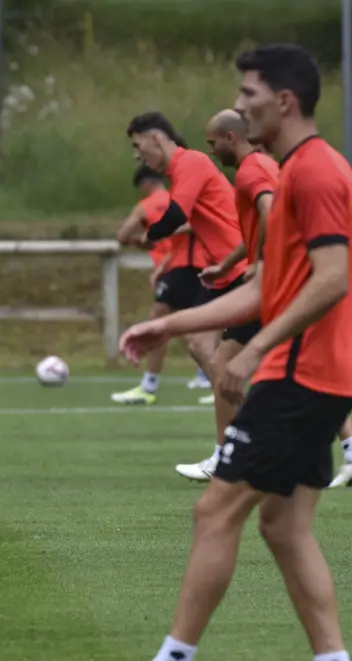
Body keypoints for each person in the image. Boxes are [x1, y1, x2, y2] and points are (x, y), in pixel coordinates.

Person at [120, 43, 352, 661]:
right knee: (283, 528)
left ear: (284, 101)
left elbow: (331, 277)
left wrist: (255, 350)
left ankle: (175, 653)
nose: (237, 106)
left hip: (302, 376)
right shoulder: (290, 171)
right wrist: (170, 328)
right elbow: (265, 284)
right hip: (312, 375)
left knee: (215, 510)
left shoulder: (314, 172)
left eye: (247, 94)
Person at [127, 111, 249, 475]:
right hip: (223, 271)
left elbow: (175, 215)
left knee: (233, 359)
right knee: (200, 346)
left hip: (242, 270)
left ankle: (238, 439)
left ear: (156, 138)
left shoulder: (191, 162)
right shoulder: (181, 170)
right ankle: (238, 434)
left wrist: (149, 236)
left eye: (138, 146)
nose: (138, 156)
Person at [174, 109, 279, 481]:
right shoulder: (264, 165)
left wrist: (263, 260)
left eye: (212, 142)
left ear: (231, 138)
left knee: (222, 365)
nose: (212, 150)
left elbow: (269, 209)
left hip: (267, 283)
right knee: (284, 369)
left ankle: (230, 453)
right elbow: (254, 227)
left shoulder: (251, 170)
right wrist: (231, 262)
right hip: (274, 280)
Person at [113, 165, 203, 405]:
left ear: (144, 183)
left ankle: (149, 386)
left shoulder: (146, 205)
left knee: (159, 321)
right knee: (187, 324)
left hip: (181, 266)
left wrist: (149, 238)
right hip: (181, 266)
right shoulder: (179, 199)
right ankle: (210, 376)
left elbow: (122, 236)